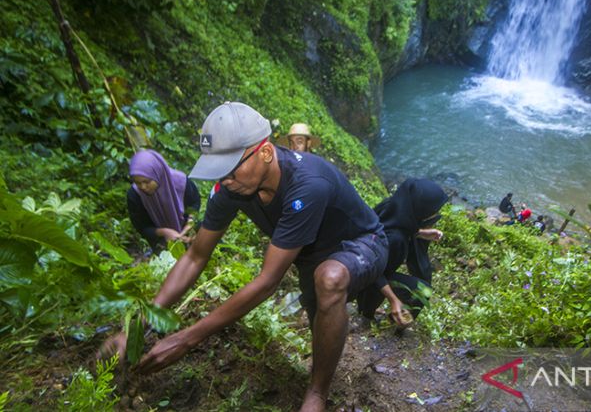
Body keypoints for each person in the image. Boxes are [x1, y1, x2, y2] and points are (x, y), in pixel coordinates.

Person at [101, 102, 387, 412]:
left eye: (230, 168)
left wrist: (188, 338)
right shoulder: (230, 187)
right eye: (218, 171)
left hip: (362, 241)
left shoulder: (308, 184)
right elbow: (196, 256)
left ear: (265, 153)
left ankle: (317, 393)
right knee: (319, 308)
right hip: (309, 253)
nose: (224, 180)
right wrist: (141, 324)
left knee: (329, 280)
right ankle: (319, 366)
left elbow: (267, 281)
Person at [357, 178, 448, 327]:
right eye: (432, 212)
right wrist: (393, 300)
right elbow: (375, 272)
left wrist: (420, 233)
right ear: (420, 210)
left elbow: (389, 227)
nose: (434, 215)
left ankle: (368, 311)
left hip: (358, 259)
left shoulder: (392, 206)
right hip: (367, 276)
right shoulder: (396, 240)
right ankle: (369, 316)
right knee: (423, 291)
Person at [127, 150, 200, 250]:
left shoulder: (181, 182)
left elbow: (194, 203)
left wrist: (190, 223)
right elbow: (142, 226)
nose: (143, 187)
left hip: (187, 230)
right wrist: (164, 232)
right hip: (160, 239)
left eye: (147, 181)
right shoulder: (135, 194)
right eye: (138, 183)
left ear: (157, 174)